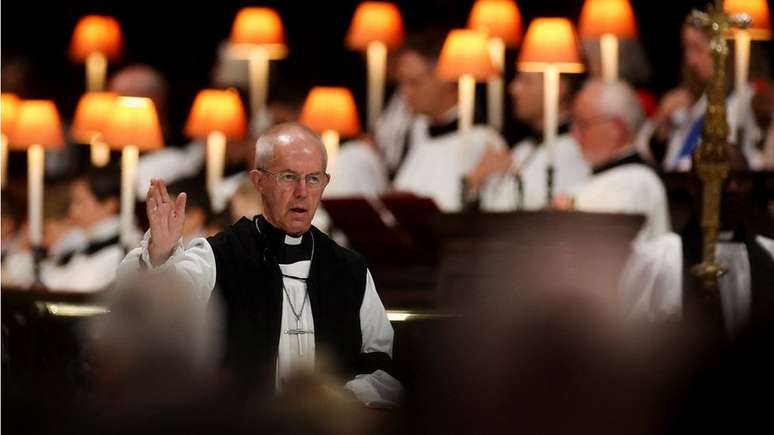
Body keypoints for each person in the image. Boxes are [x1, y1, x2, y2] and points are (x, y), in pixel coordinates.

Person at [117, 123, 400, 407]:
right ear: (258, 181)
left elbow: (384, 365)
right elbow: (151, 314)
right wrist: (160, 251)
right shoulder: (220, 255)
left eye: (313, 179)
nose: (302, 191)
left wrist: (342, 398)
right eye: (289, 177)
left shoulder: (349, 270)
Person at [390, 31, 507, 212]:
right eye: (401, 83)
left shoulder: (484, 140)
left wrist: (470, 186)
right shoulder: (415, 131)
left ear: (445, 77)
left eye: (414, 82)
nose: (405, 93)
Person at [636, 15, 763, 171]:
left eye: (697, 48)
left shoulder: (750, 100)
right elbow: (647, 153)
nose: (690, 60)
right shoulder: (697, 102)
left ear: (723, 50)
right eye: (687, 48)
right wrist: (662, 121)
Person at [566, 79, 671, 242]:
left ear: (616, 129)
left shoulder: (639, 182)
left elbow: (603, 246)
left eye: (583, 124)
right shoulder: (604, 175)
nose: (574, 135)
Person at [475, 70, 591, 210]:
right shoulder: (523, 148)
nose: (513, 89)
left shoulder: (574, 148)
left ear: (558, 88)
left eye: (526, 81)